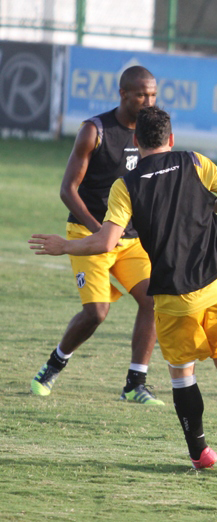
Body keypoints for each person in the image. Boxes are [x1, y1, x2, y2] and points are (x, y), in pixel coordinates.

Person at [30, 106, 217, 469]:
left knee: (182, 373)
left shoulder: (126, 185)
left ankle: (200, 452)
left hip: (176, 294)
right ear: (171, 139)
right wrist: (208, 209)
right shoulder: (193, 160)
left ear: (135, 141)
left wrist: (64, 245)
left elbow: (105, 241)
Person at [30, 66, 163, 405]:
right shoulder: (95, 131)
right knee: (96, 313)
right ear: (123, 95)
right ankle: (53, 365)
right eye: (140, 95)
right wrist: (98, 228)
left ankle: (135, 383)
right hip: (88, 232)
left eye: (153, 95)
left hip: (130, 238)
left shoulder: (154, 132)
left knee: (154, 300)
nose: (148, 102)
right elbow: (67, 189)